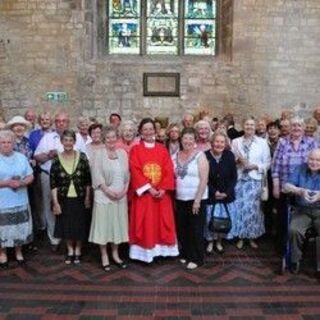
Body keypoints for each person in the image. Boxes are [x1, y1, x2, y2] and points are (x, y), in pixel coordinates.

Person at [34, 112, 86, 251]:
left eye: (63, 121)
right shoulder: (48, 137)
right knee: (51, 207)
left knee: (71, 209)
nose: (60, 123)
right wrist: (49, 155)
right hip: (49, 176)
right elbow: (37, 156)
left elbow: (84, 157)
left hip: (73, 180)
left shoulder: (78, 137)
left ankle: (72, 238)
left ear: (68, 122)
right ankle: (54, 239)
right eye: (58, 121)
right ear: (54, 123)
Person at [129, 118, 178, 263]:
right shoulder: (136, 150)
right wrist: (149, 189)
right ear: (140, 132)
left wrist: (163, 188)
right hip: (145, 195)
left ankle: (162, 252)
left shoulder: (162, 149)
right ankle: (144, 253)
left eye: (151, 129)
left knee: (162, 223)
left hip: (161, 195)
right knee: (145, 223)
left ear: (155, 131)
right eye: (145, 129)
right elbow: (135, 170)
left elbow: (168, 169)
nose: (148, 132)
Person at [272, 116, 317, 253]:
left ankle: (300, 248)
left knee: (299, 219)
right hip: (286, 187)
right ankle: (283, 248)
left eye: (299, 125)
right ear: (289, 128)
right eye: (294, 125)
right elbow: (276, 164)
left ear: (304, 128)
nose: (296, 128)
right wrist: (276, 185)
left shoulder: (311, 143)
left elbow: (316, 161)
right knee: (283, 219)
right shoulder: (283, 142)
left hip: (306, 187)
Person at [89, 127, 129, 271]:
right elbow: (96, 176)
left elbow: (128, 175)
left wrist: (124, 190)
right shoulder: (98, 154)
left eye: (113, 137)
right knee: (104, 226)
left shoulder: (123, 153)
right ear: (104, 140)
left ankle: (115, 254)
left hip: (120, 196)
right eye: (108, 138)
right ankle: (104, 255)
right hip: (104, 195)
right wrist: (108, 192)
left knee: (116, 225)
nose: (111, 140)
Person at [50, 130, 91, 264]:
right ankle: (70, 250)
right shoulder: (56, 159)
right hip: (63, 198)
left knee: (79, 224)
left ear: (74, 142)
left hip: (79, 196)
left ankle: (78, 249)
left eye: (70, 140)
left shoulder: (83, 157)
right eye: (65, 140)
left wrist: (87, 198)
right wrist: (55, 203)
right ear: (62, 142)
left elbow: (87, 180)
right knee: (66, 225)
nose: (68, 143)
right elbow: (53, 183)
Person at [232, 116, 271, 249]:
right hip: (240, 180)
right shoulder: (236, 142)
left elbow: (267, 163)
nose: (249, 127)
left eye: (252, 125)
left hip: (255, 181)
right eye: (247, 124)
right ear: (243, 126)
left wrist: (255, 166)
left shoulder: (262, 143)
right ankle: (241, 236)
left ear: (256, 127)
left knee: (254, 210)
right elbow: (231, 160)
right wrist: (238, 161)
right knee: (240, 208)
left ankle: (252, 237)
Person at [173, 127, 209, 269]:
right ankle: (186, 254)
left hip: (196, 198)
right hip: (180, 198)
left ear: (194, 141)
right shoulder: (175, 155)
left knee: (196, 228)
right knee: (183, 228)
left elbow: (204, 179)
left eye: (190, 138)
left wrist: (197, 200)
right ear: (181, 140)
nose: (187, 141)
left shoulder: (200, 156)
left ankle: (197, 258)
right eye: (185, 138)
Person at [0, 130, 34, 268]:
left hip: (20, 198)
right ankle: (2, 253)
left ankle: (18, 251)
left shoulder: (21, 157)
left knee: (19, 227)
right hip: (2, 201)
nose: (6, 145)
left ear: (13, 143)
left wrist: (22, 183)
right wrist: (7, 183)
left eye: (9, 142)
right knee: (3, 228)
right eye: (3, 142)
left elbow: (30, 175)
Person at [284, 149, 320, 274]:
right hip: (302, 210)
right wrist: (300, 191)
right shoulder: (300, 168)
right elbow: (286, 186)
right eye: (311, 159)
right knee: (294, 230)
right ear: (307, 159)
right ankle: (295, 260)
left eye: (317, 160)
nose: (314, 162)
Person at [205, 132, 237, 254]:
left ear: (225, 144)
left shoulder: (229, 155)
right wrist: (214, 192)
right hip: (210, 195)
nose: (219, 144)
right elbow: (203, 178)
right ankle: (210, 242)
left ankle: (219, 242)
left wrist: (227, 192)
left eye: (222, 142)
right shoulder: (205, 156)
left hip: (226, 196)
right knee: (210, 219)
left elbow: (234, 177)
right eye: (217, 141)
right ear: (212, 142)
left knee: (222, 220)